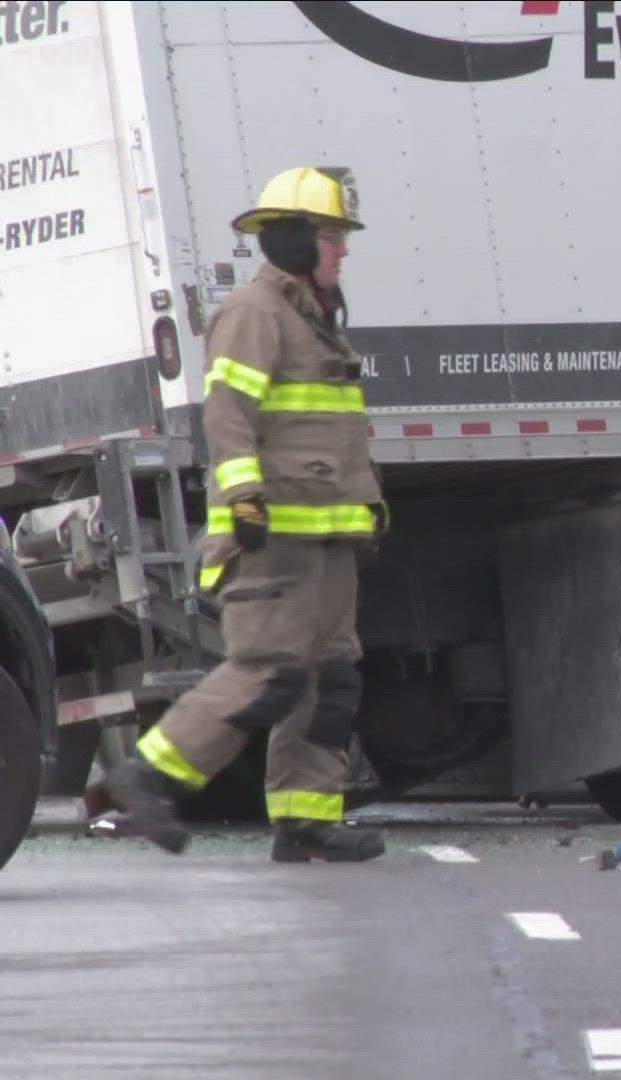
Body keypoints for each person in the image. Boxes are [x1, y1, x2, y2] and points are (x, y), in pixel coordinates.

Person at [106, 165, 389, 863]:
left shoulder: (311, 319)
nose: (343, 250)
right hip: (274, 534)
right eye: (331, 236)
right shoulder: (256, 314)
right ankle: (145, 781)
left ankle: (304, 821)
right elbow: (228, 413)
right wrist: (244, 498)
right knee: (269, 668)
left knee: (329, 677)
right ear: (295, 241)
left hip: (323, 537)